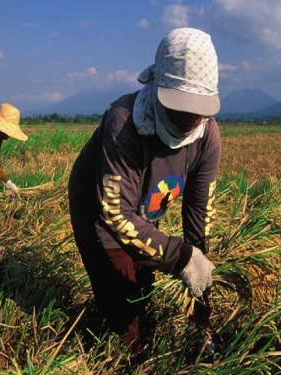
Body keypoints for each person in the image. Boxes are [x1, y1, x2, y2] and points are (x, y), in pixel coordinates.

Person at [68, 27, 221, 352]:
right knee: (123, 307)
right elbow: (116, 213)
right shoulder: (124, 124)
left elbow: (198, 209)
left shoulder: (207, 137)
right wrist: (178, 257)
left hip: (143, 212)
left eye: (198, 110)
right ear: (157, 88)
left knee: (144, 283)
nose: (191, 119)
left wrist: (198, 262)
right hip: (99, 213)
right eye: (181, 108)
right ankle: (125, 360)